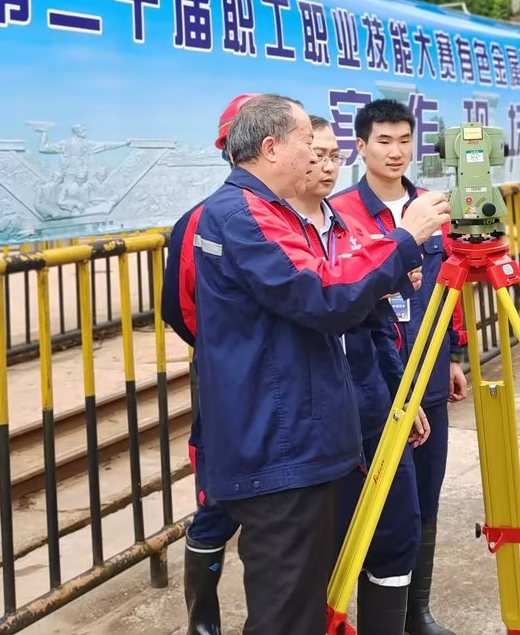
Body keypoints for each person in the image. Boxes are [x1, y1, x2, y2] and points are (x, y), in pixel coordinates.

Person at [191, 94, 452, 634]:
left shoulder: (278, 213)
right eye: (309, 145)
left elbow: (345, 307)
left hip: (305, 433)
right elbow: (322, 293)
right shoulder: (244, 214)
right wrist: (406, 240)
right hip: (279, 442)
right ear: (271, 148)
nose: (318, 158)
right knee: (287, 613)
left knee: (312, 595)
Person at [328, 99, 468, 635]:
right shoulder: (340, 213)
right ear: (360, 146)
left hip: (427, 375)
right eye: (383, 141)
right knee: (376, 502)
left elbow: (450, 285)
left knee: (425, 498)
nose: (395, 152)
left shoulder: (433, 208)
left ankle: (417, 613)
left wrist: (453, 355)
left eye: (404, 140)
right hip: (373, 385)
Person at [289, 115, 427, 635]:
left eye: (332, 155)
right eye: (315, 154)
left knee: (396, 531)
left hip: (371, 407)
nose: (326, 165)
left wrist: (401, 398)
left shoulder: (347, 229)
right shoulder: (276, 233)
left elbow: (378, 325)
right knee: (323, 544)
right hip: (314, 420)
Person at [161, 92, 256, 635]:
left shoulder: (308, 214)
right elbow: (179, 308)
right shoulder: (199, 221)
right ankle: (203, 623)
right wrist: (227, 349)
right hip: (227, 377)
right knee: (219, 497)